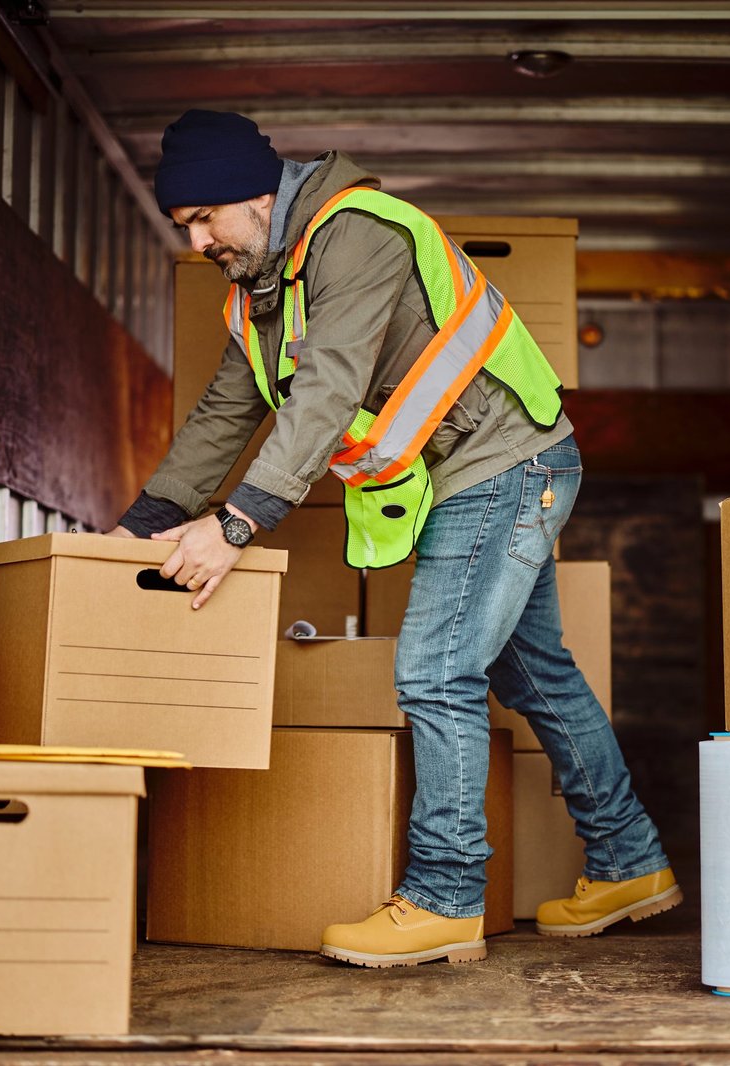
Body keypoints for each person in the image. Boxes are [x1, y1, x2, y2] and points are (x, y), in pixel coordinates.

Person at [113, 110, 679, 968]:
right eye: (184, 225)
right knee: (537, 672)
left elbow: (328, 390)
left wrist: (236, 525)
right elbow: (226, 414)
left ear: (261, 195)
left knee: (433, 669)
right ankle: (630, 858)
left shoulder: (356, 235)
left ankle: (446, 896)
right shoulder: (261, 289)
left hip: (507, 462)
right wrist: (136, 529)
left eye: (204, 218)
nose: (197, 241)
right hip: (486, 470)